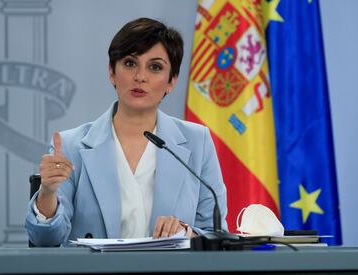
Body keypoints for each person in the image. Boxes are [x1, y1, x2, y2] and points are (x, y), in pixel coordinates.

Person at [25, 17, 228, 247]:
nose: (140, 76)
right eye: (130, 63)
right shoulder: (72, 145)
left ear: (171, 81)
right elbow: (44, 240)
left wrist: (186, 232)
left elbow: (217, 235)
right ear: (112, 72)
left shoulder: (196, 141)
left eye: (155, 67)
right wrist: (48, 193)